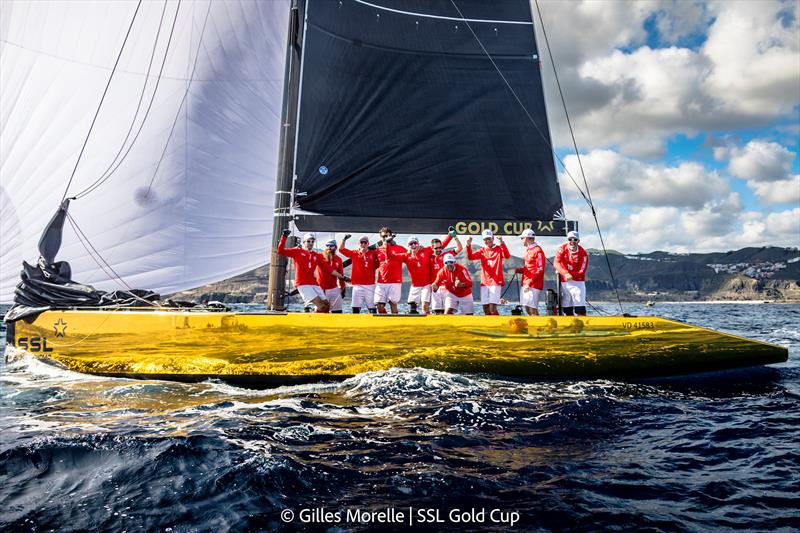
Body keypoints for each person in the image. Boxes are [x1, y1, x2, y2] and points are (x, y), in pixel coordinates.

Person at [389, 228, 458, 314]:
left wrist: (450, 235)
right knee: (412, 310)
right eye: (411, 244)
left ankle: (428, 324)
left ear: (418, 243)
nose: (413, 245)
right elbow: (391, 256)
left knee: (425, 307)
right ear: (408, 245)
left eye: (415, 243)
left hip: (426, 284)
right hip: (414, 286)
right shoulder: (406, 255)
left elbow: (441, 245)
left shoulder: (426, 250)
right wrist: (388, 243)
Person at [277, 230, 347, 313]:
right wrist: (284, 236)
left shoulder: (316, 255)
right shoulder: (297, 252)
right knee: (321, 306)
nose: (310, 243)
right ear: (304, 242)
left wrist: (343, 277)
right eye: (308, 241)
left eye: (312, 241)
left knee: (327, 306)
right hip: (303, 284)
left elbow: (329, 269)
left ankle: (321, 322)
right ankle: (313, 321)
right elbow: (281, 251)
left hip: (314, 284)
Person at [465, 229, 510, 315]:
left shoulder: (499, 249)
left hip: (495, 282)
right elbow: (470, 257)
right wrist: (468, 245)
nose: (487, 241)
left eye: (489, 238)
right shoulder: (482, 250)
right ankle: (490, 327)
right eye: (485, 239)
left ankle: (498, 325)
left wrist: (502, 242)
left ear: (493, 238)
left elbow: (507, 256)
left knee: (492, 308)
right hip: (485, 282)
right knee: (486, 308)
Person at [339, 234, 380, 314]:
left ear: (368, 243)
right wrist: (344, 239)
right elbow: (341, 250)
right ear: (359, 243)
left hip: (370, 285)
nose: (363, 244)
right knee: (355, 308)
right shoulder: (354, 253)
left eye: (365, 242)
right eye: (362, 242)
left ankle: (373, 324)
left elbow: (379, 263)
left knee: (372, 308)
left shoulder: (374, 253)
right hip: (357, 286)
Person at [553, 230, 588, 316]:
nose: (572, 241)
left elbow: (582, 271)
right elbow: (556, 263)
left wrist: (570, 275)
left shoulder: (583, 253)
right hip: (565, 282)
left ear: (578, 241)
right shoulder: (561, 249)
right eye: (570, 239)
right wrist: (565, 273)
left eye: (575, 239)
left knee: (579, 309)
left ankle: (582, 323)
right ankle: (570, 325)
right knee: (567, 308)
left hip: (578, 283)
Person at [429, 231, 463, 314]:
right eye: (436, 248)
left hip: (448, 288)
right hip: (436, 287)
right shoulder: (430, 257)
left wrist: (455, 237)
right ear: (432, 248)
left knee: (449, 311)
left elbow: (459, 248)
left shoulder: (447, 255)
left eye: (440, 247)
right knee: (437, 312)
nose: (439, 249)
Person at [374, 227, 406, 314]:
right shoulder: (378, 250)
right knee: (379, 306)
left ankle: (395, 325)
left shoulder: (400, 248)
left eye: (387, 236)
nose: (385, 238)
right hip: (381, 282)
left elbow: (411, 258)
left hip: (395, 281)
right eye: (383, 236)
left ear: (391, 236)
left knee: (393, 304)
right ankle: (384, 324)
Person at [514, 229, 546, 316]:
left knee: (532, 309)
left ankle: (539, 327)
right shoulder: (528, 250)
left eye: (522, 238)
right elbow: (529, 268)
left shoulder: (538, 251)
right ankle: (534, 327)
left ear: (527, 238)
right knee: (527, 308)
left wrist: (529, 282)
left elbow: (540, 269)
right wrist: (519, 270)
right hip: (526, 283)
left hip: (534, 284)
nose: (521, 240)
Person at [317, 239, 346, 313]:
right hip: (321, 288)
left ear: (335, 247)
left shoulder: (338, 259)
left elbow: (341, 274)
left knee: (337, 311)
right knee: (322, 310)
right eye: (327, 245)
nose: (329, 247)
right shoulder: (320, 257)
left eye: (331, 246)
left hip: (334, 288)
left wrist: (343, 287)